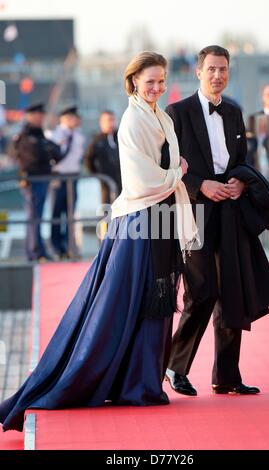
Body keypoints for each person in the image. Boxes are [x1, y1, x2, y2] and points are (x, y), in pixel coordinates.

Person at [0, 51, 199, 432]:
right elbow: (141, 181)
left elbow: (160, 173)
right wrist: (178, 172)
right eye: (150, 81)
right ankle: (117, 381)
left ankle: (138, 382)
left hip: (159, 218)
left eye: (161, 80)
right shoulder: (133, 120)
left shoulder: (160, 117)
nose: (156, 87)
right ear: (134, 82)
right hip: (139, 220)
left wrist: (173, 174)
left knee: (149, 304)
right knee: (119, 307)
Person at [165, 45, 269, 396]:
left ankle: (227, 376)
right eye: (212, 69)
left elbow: (242, 160)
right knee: (202, 291)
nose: (218, 75)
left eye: (224, 69)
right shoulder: (177, 112)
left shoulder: (234, 112)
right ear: (199, 72)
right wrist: (201, 184)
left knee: (233, 290)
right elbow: (167, 166)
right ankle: (174, 365)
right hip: (195, 213)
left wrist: (240, 181)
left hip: (231, 212)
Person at [11, 103, 62, 262]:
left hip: (42, 179)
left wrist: (46, 149)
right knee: (34, 217)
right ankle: (35, 252)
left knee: (37, 217)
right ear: (30, 116)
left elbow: (56, 152)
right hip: (32, 181)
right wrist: (47, 150)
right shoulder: (26, 135)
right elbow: (34, 157)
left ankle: (38, 250)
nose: (42, 118)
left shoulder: (38, 134)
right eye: (39, 115)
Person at [46, 106, 85, 259]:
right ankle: (56, 247)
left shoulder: (78, 136)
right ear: (64, 119)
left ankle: (70, 246)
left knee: (70, 213)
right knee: (56, 212)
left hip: (73, 177)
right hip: (58, 177)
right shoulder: (53, 134)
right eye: (71, 117)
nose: (75, 120)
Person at [84, 110, 121, 204]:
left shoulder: (121, 137)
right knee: (107, 206)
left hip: (122, 179)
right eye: (108, 120)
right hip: (106, 180)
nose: (111, 123)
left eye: (112, 120)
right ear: (101, 123)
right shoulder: (97, 141)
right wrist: (97, 173)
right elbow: (88, 158)